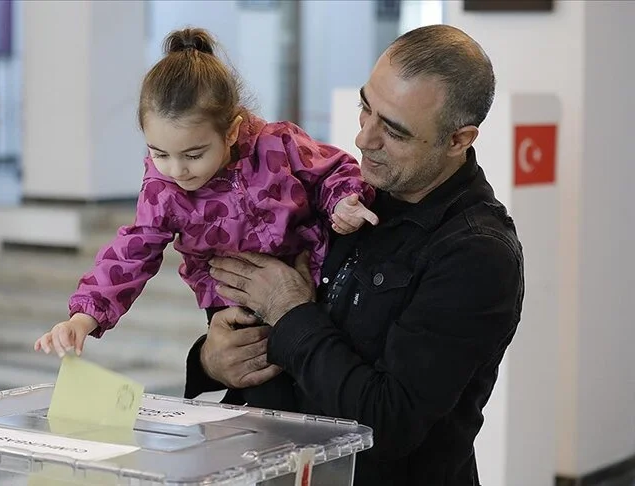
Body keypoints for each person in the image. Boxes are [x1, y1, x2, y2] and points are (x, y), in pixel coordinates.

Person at [185, 25, 525, 485]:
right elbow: (257, 336)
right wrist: (211, 359)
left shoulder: (477, 254)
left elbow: (386, 425)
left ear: (458, 140)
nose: (364, 139)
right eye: (366, 107)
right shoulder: (337, 195)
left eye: (394, 131)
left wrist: (289, 309)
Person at [34, 28, 377, 409]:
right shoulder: (162, 188)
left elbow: (332, 170)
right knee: (265, 396)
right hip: (232, 304)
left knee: (322, 393)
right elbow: (133, 252)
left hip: (308, 284)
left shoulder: (278, 145)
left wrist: (345, 200)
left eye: (194, 154)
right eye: (159, 153)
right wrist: (84, 318)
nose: (177, 170)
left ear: (231, 131)